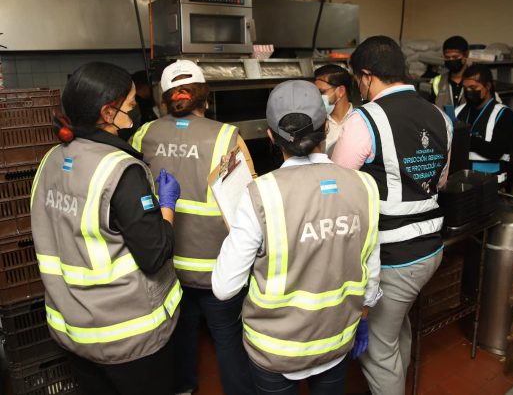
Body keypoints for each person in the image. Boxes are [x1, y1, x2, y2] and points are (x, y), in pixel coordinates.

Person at [212, 80, 382, 395]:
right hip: (336, 339)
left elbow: (224, 288)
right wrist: (364, 314)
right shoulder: (365, 186)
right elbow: (370, 265)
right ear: (326, 130)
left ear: (271, 137)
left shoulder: (260, 194)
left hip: (275, 349)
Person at [31, 62, 182, 395]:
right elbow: (155, 254)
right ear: (108, 112)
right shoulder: (120, 171)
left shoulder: (51, 160)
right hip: (127, 336)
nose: (135, 110)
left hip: (74, 330)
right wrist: (167, 206)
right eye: (130, 105)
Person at [332, 36, 453, 395]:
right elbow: (440, 181)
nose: (359, 88)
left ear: (367, 76)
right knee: (395, 328)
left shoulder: (364, 118)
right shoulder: (440, 117)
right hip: (431, 249)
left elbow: (339, 185)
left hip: (394, 257)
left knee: (378, 352)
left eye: (357, 81)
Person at [131, 60, 256, 395]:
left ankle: (183, 389)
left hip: (166, 262)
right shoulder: (226, 137)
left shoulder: (143, 134)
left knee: (180, 332)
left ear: (166, 98)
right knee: (227, 336)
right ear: (205, 96)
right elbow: (249, 204)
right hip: (216, 266)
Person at [457, 64, 513, 184]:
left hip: (491, 183)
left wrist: (466, 139)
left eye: (473, 88)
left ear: (488, 86)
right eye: (465, 88)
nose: (468, 92)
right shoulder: (458, 111)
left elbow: (495, 151)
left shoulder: (503, 114)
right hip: (461, 181)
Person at [314, 64, 354, 156]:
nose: (318, 97)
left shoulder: (361, 120)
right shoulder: (316, 123)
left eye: (321, 92)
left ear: (341, 91)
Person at [430, 36, 470, 108]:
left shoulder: (476, 80)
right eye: (447, 57)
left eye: (455, 57)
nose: (451, 60)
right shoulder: (438, 81)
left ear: (466, 54)